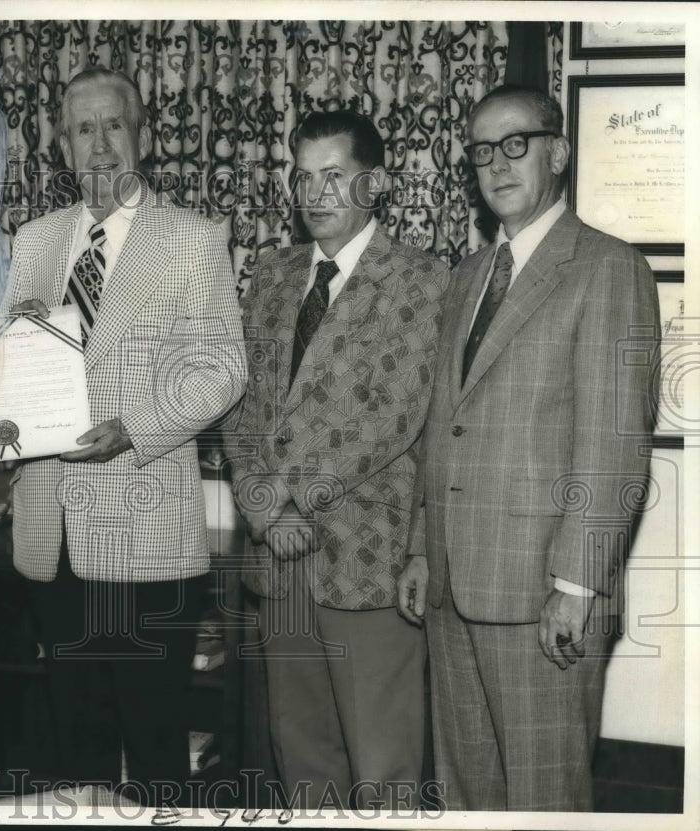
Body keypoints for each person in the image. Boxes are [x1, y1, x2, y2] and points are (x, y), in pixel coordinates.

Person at [396, 85, 659, 811]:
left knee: (544, 798)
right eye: (483, 150)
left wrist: (576, 586)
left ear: (559, 152)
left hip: (544, 598)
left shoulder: (607, 268)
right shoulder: (466, 277)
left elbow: (614, 444)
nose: (498, 164)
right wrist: (422, 548)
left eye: (517, 144)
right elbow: (440, 424)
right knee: (464, 794)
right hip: (454, 588)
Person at [0, 67, 246, 806]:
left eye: (114, 125)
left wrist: (132, 429)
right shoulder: (35, 240)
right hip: (52, 536)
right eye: (82, 129)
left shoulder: (193, 240)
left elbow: (222, 372)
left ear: (143, 135)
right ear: (62, 146)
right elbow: (9, 368)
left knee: (156, 740)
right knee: (75, 746)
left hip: (144, 535)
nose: (99, 144)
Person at [222, 110, 450, 810]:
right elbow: (242, 398)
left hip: (368, 561)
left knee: (384, 770)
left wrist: (290, 495)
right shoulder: (272, 273)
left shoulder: (419, 279)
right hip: (279, 558)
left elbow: (391, 416)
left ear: (374, 184)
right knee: (302, 757)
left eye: (334, 176)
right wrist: (262, 508)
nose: (314, 193)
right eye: (302, 177)